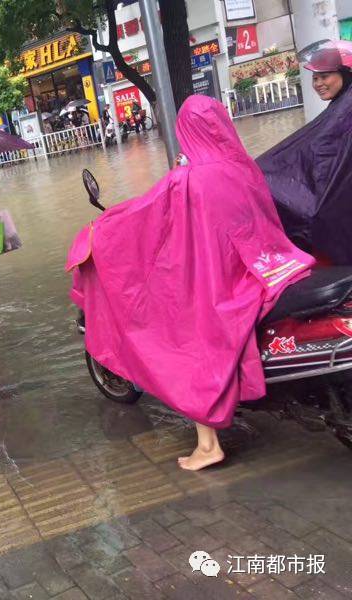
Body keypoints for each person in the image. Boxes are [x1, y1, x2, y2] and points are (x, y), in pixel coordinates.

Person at [68, 95, 314, 470]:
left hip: (216, 282)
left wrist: (98, 231)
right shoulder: (243, 168)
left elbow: (143, 217)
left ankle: (207, 444)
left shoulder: (187, 179)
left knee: (183, 338)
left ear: (186, 130)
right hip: (262, 270)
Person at [257, 41, 352, 264]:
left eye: (325, 76)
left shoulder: (346, 107)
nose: (318, 83)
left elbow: (320, 149)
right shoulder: (341, 103)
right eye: (315, 78)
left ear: (345, 73)